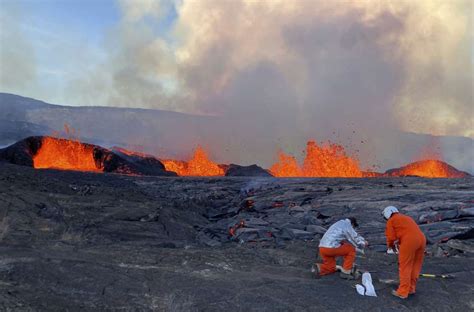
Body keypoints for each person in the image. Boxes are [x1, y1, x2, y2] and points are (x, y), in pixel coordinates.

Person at [383, 206, 426, 299]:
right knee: (415, 265)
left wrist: (391, 246)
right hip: (422, 239)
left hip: (409, 241)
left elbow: (391, 237)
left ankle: (402, 292)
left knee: (405, 266)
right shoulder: (406, 217)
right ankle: (411, 288)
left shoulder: (391, 220)